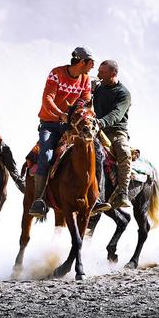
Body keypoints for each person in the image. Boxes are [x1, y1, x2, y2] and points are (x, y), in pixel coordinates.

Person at [28, 47, 109, 218]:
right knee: (46, 156)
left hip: (74, 126)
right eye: (91, 63)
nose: (93, 67)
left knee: (99, 153)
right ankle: (39, 200)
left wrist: (79, 116)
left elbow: (85, 101)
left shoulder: (86, 79)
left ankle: (96, 199)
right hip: (49, 124)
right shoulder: (56, 74)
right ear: (82, 62)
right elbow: (47, 98)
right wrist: (61, 115)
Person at [93, 60, 133, 209]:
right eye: (98, 71)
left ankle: (123, 193)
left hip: (115, 131)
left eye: (102, 73)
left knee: (124, 153)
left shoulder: (124, 93)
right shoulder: (97, 88)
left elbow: (116, 114)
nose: (98, 75)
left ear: (113, 73)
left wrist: (101, 123)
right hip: (95, 129)